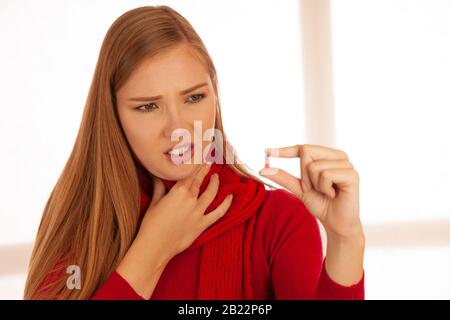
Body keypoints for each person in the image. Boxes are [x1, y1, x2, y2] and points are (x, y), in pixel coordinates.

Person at [24, 5, 365, 300]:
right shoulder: (80, 222)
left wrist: (345, 239)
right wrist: (151, 251)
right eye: (147, 107)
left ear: (215, 93)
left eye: (193, 98)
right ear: (112, 114)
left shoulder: (276, 222)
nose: (178, 128)